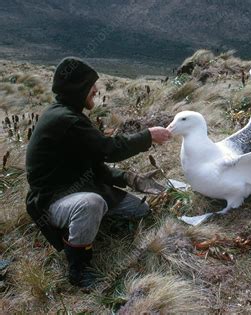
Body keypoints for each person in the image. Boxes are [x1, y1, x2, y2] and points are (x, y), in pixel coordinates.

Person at [25, 57, 171, 288]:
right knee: (91, 204)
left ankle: (86, 227)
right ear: (77, 88)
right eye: (90, 85)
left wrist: (129, 179)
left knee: (139, 210)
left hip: (79, 188)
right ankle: (79, 269)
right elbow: (108, 150)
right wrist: (148, 136)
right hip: (52, 201)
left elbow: (94, 165)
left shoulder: (70, 115)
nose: (96, 89)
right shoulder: (65, 120)